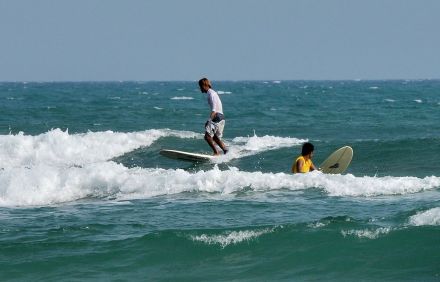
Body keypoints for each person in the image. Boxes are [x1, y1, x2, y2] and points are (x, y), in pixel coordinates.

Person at [198, 78, 228, 155]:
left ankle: (216, 152)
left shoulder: (211, 93)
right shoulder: (211, 93)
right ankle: (225, 150)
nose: (200, 88)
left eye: (200, 86)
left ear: (204, 85)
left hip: (217, 116)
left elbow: (214, 110)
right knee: (214, 137)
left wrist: (209, 121)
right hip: (221, 117)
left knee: (207, 137)